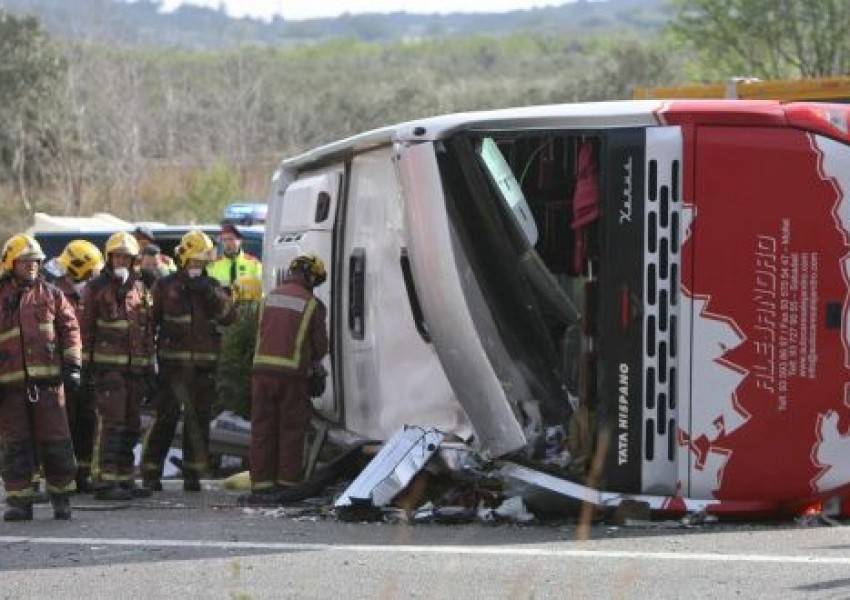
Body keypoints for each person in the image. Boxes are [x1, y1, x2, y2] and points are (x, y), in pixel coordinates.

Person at [141, 230, 235, 492]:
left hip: (204, 368)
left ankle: (192, 475)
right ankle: (150, 473)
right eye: (194, 261)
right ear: (183, 260)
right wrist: (150, 362)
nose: (198, 267)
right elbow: (150, 323)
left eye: (202, 262)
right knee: (165, 420)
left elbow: (230, 318)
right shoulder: (166, 286)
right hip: (172, 367)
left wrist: (211, 295)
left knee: (198, 421)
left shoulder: (213, 286)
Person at [0, 234, 82, 521]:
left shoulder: (53, 295)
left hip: (48, 386)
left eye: (35, 263)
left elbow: (70, 330)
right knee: (15, 445)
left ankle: (62, 499)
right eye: (25, 263)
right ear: (11, 264)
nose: (32, 267)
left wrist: (73, 366)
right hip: (9, 388)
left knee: (57, 441)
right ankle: (19, 502)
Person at [247, 253, 328, 501]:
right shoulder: (311, 304)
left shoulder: (269, 298)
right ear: (310, 276)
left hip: (261, 374)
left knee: (262, 429)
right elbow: (320, 347)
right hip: (291, 376)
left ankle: (260, 486)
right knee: (291, 431)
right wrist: (316, 369)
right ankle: (286, 486)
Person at [82, 232, 155, 501]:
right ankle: (105, 480)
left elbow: (145, 330)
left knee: (132, 425)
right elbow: (86, 329)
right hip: (107, 369)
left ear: (134, 259)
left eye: (126, 256)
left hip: (134, 370)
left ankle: (124, 478)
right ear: (109, 257)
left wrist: (149, 367)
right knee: (112, 423)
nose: (121, 260)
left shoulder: (139, 288)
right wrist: (85, 367)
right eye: (117, 256)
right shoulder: (96, 288)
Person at [53, 239, 104, 493]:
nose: (97, 273)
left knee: (87, 423)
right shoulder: (56, 293)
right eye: (93, 269)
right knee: (64, 425)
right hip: (63, 370)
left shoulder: (94, 292)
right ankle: (63, 477)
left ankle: (82, 474)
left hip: (90, 369)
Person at [207, 220, 262, 303]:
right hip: (222, 310)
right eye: (224, 240)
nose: (227, 243)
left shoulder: (254, 264)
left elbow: (261, 292)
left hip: (247, 310)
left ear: (240, 241)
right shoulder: (213, 266)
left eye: (231, 239)